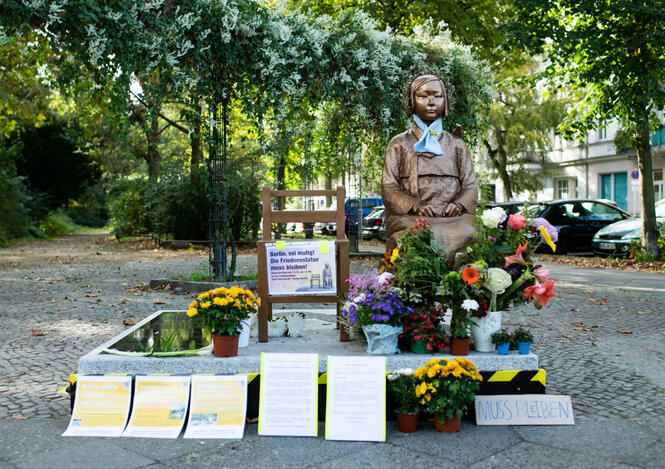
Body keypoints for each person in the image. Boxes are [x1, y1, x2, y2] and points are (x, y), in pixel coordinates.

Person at [382, 74, 478, 265]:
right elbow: (389, 186)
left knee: (470, 231)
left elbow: (471, 185)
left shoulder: (458, 145)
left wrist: (459, 205)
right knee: (417, 235)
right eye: (423, 96)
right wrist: (415, 205)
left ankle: (465, 284)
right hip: (411, 217)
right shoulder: (399, 144)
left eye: (437, 96)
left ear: (446, 102)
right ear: (411, 101)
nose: (431, 102)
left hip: (453, 217)